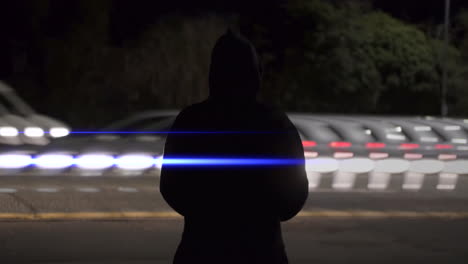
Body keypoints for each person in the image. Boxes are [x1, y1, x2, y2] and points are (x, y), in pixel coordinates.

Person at [160, 29, 308, 264]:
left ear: (212, 75)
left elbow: (171, 188)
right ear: (256, 74)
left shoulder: (191, 120)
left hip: (199, 250)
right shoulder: (275, 124)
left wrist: (206, 214)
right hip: (262, 252)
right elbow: (294, 199)